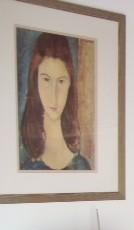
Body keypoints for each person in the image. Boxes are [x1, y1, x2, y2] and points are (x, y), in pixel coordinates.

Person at [20, 32, 91, 170]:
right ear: (36, 82)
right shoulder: (27, 167)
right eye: (46, 80)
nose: (54, 95)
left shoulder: (82, 166)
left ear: (70, 85)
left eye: (61, 81)